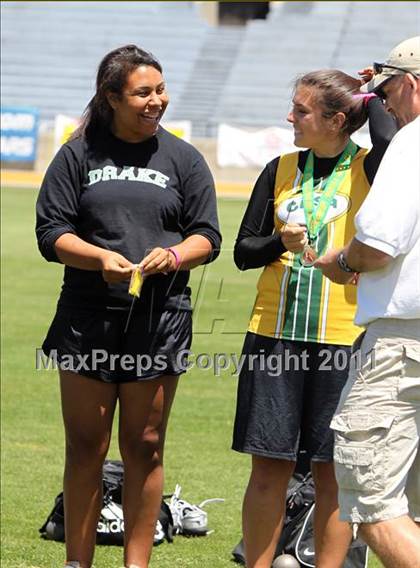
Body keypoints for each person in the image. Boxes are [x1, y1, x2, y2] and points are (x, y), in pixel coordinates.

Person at [36, 45, 221, 568]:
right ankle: (78, 561)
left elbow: (207, 234)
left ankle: (135, 564)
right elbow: (51, 233)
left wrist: (175, 254)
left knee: (144, 445)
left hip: (160, 319)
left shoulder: (184, 158)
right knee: (86, 445)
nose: (156, 100)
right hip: (87, 318)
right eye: (143, 92)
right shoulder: (77, 155)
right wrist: (100, 259)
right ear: (113, 97)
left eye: (160, 90)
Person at [232, 68, 397, 568]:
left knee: (331, 473)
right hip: (273, 336)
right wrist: (276, 244)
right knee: (268, 470)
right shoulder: (279, 168)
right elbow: (242, 252)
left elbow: (390, 130)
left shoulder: (375, 168)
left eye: (302, 110)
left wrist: (369, 96)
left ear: (338, 119)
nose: (290, 116)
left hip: (344, 341)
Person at [315, 36, 420, 568]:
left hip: (405, 343)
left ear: (413, 85)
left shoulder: (413, 141)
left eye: (392, 92)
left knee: (372, 499)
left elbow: (378, 243)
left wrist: (345, 262)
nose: (392, 105)